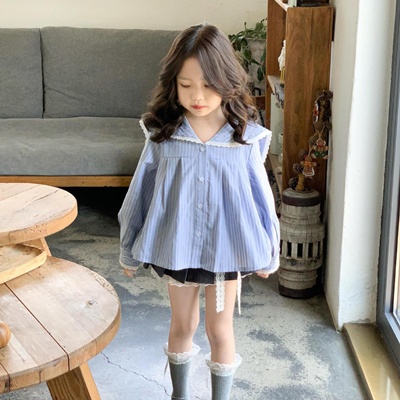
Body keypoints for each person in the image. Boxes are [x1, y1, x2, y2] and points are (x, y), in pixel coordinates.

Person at [118, 23, 280, 400]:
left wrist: (269, 250)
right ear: (173, 84)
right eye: (186, 85)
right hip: (177, 247)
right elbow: (140, 192)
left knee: (220, 331)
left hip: (227, 250)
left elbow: (262, 199)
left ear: (226, 81)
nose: (198, 96)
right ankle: (180, 394)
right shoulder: (164, 135)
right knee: (182, 325)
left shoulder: (245, 138)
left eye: (208, 85)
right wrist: (129, 248)